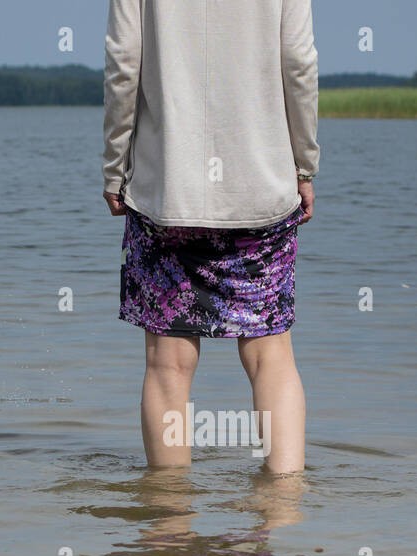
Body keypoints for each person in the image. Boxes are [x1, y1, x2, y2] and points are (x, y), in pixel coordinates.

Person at [102, 0, 320, 474]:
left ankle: (169, 521)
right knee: (270, 357)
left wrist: (115, 167)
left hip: (167, 190)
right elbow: (298, 61)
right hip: (261, 186)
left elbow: (124, 64)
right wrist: (304, 165)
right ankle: (282, 508)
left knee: (168, 366)